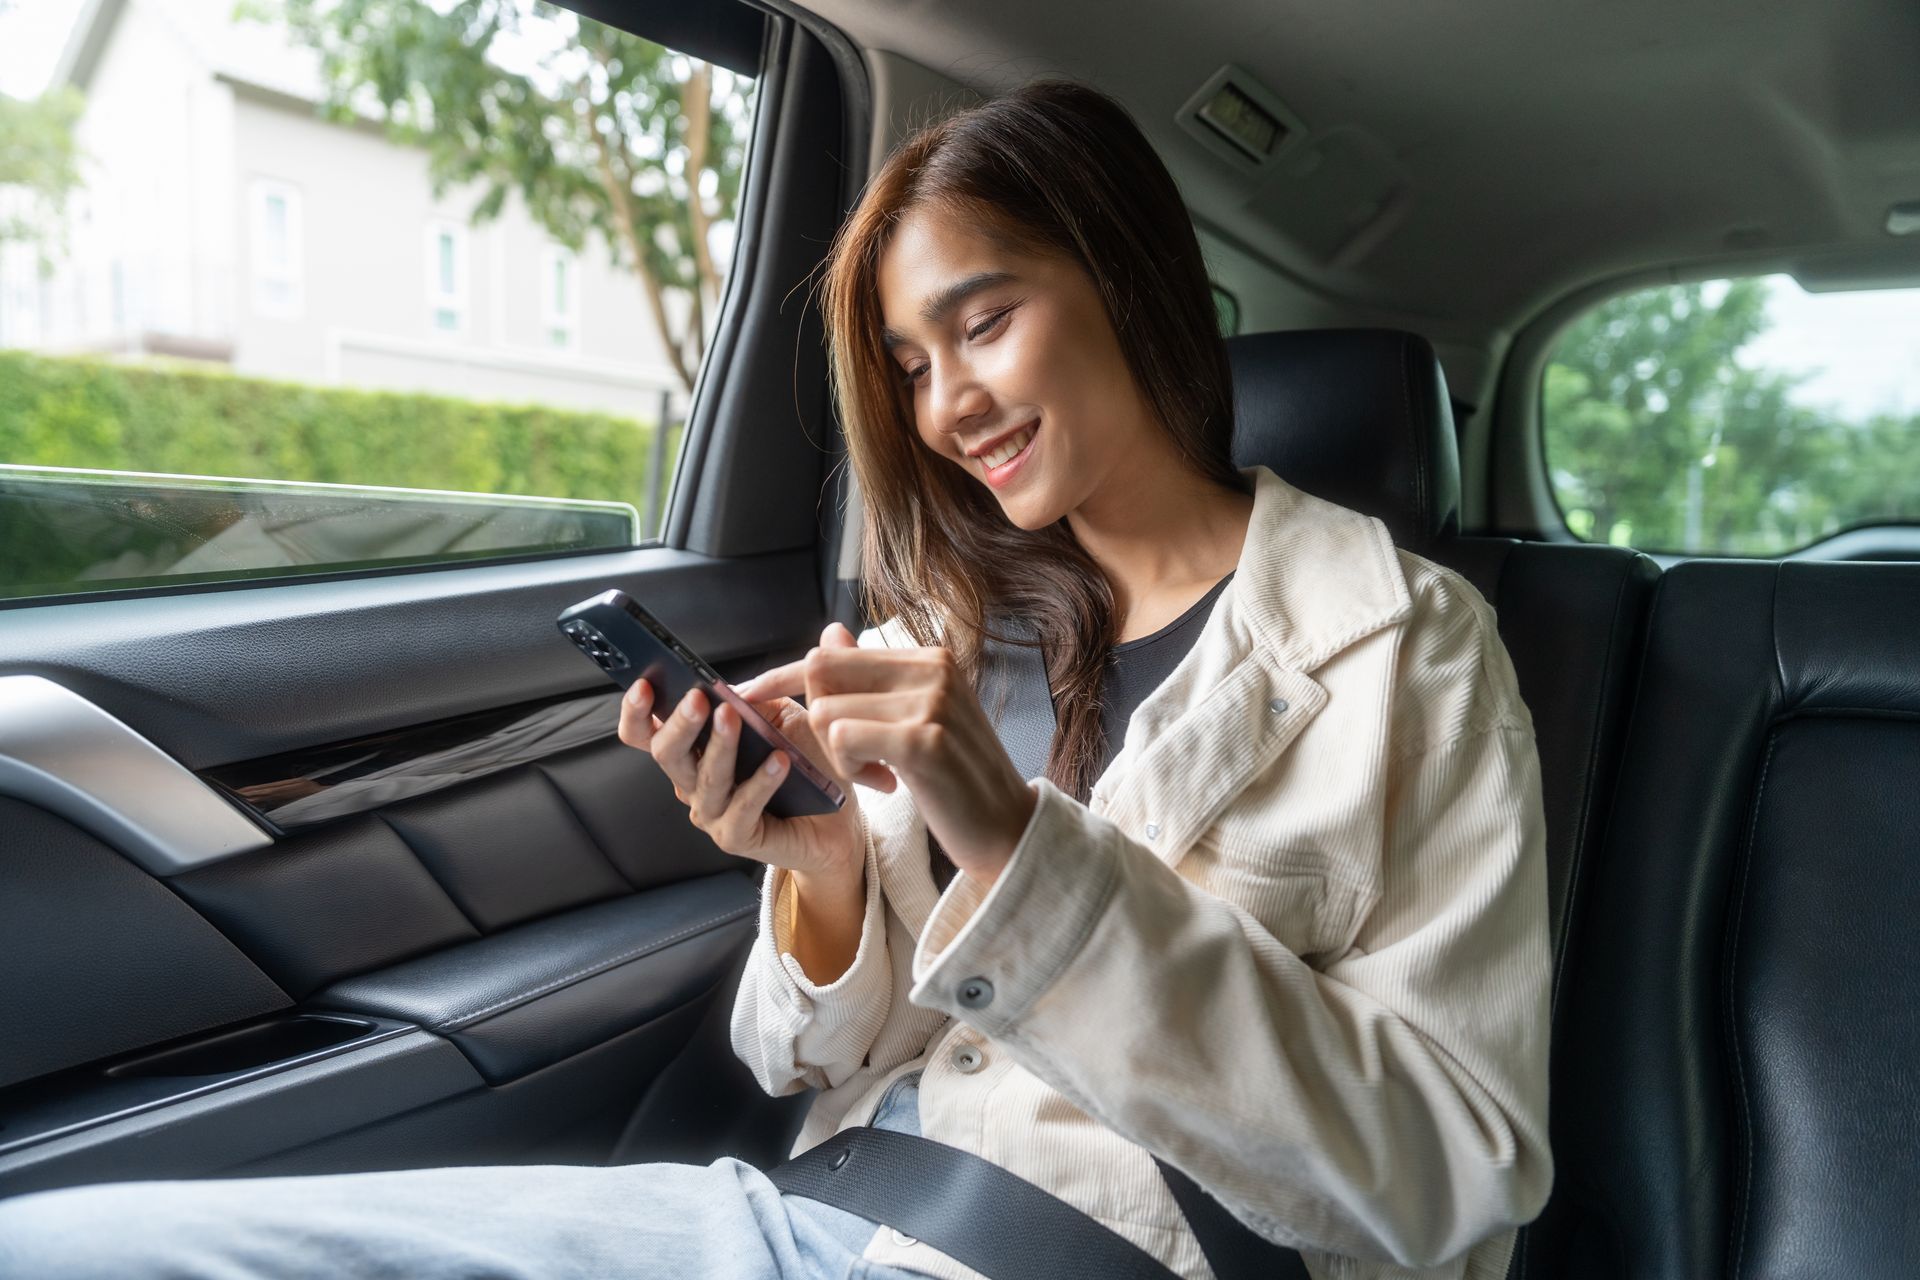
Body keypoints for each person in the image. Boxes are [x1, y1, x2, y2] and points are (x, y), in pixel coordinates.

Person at [0, 79, 1551, 1280]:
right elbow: (805, 1058)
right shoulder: (951, 632)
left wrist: (1014, 844)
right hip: (803, 1217)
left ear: (1130, 276)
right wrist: (816, 872)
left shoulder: (1399, 647)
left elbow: (1450, 1176)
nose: (949, 408)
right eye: (910, 368)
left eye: (983, 322)